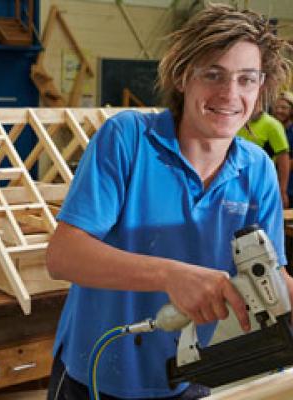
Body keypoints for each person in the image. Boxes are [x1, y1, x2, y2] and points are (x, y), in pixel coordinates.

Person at [46, 4, 293, 400]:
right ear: (182, 76)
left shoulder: (258, 170)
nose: (230, 94)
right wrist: (170, 276)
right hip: (96, 371)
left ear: (261, 87)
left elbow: (270, 275)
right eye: (213, 74)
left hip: (188, 376)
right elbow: (62, 257)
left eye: (247, 80)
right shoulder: (128, 139)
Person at [237, 109, 290, 208]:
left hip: (262, 184)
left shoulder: (272, 125)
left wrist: (282, 190)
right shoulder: (235, 122)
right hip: (236, 184)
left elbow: (283, 158)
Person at [273, 91, 293, 207]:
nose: (279, 111)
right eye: (276, 107)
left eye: (284, 108)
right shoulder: (273, 129)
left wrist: (281, 165)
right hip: (275, 185)